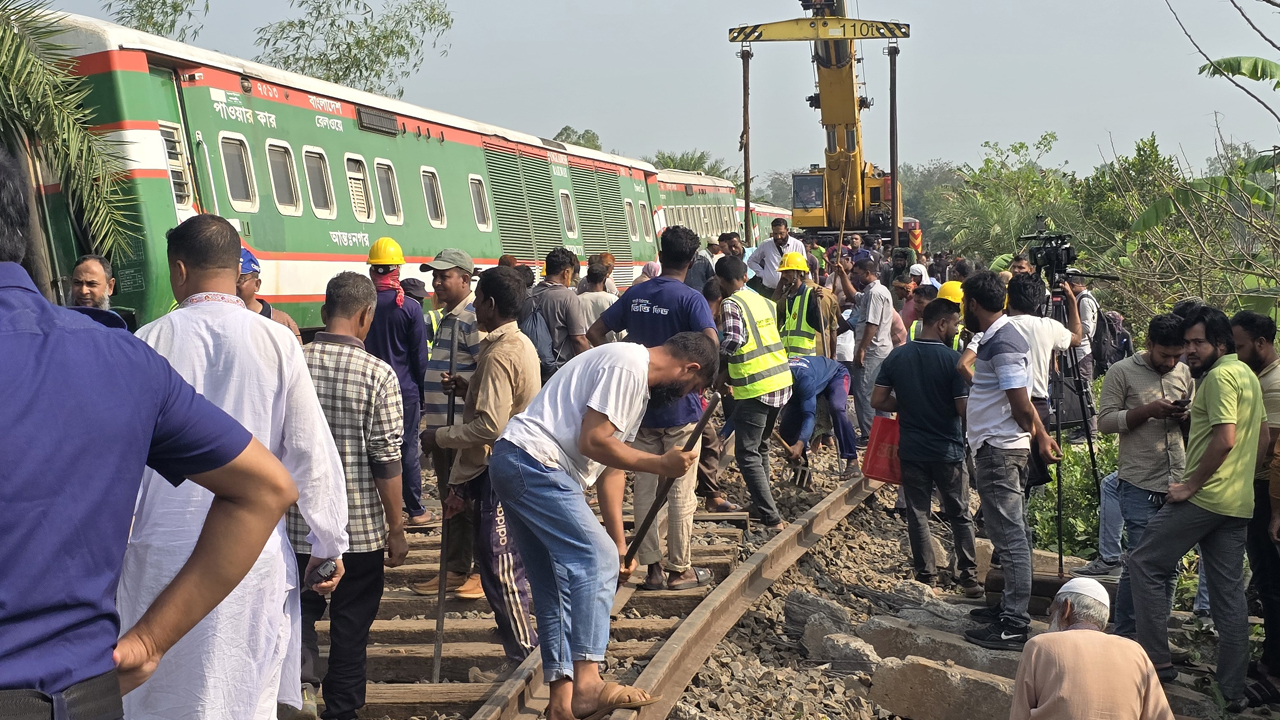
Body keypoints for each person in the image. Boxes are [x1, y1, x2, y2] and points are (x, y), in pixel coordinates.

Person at [0, 149, 296, 718]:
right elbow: (270, 486)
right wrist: (151, 640)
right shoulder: (120, 356)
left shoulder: (151, 340)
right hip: (86, 698)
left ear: (178, 270)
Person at [120, 214, 349, 720]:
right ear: (235, 268)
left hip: (160, 553)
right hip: (249, 554)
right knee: (241, 696)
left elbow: (121, 460)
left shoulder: (146, 342)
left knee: (160, 698)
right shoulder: (277, 341)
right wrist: (328, 544)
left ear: (179, 270)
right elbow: (310, 453)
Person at [489, 333, 716, 720]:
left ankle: (561, 703)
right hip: (536, 462)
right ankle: (589, 684)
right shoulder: (628, 365)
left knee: (555, 584)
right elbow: (594, 440)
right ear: (689, 369)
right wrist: (660, 464)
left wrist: (620, 541)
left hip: (518, 461)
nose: (683, 397)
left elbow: (611, 465)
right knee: (595, 560)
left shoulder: (634, 382)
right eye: (692, 388)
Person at [1128, 306, 1267, 710]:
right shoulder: (1246, 374)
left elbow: (1224, 439)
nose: (1189, 350)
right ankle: (1233, 691)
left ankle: (1156, 661)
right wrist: (1243, 480)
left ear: (1219, 343)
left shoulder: (1220, 377)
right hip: (1237, 502)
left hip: (1206, 498)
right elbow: (1257, 439)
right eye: (1186, 342)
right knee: (1228, 598)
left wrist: (1190, 484)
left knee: (1144, 562)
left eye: (1197, 342)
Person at [292, 272, 407, 720]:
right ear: (366, 317)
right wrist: (396, 527)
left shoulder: (293, 362)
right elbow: (386, 460)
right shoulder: (379, 375)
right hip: (357, 532)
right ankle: (341, 709)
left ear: (324, 313)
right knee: (351, 622)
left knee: (297, 608)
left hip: (295, 524)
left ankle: (300, 685)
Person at [420, 266, 540, 673]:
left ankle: (524, 654)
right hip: (504, 463)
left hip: (496, 468)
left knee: (500, 566)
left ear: (488, 304)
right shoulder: (516, 344)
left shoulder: (500, 354)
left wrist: (441, 437)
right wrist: (469, 387)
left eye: (479, 299)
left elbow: (491, 425)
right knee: (502, 564)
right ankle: (524, 648)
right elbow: (507, 399)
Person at [588, 225, 720, 591]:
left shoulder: (636, 293)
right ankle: (680, 570)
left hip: (640, 408)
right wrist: (700, 383)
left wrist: (612, 366)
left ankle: (653, 570)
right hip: (682, 410)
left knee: (645, 488)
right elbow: (710, 344)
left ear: (659, 255)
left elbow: (595, 332)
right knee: (679, 491)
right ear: (692, 261)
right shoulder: (691, 299)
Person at [961, 271, 1061, 651]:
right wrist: (1042, 434)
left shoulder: (1002, 341)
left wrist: (1037, 433)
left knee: (1012, 536)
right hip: (998, 446)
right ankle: (1006, 609)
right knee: (1005, 534)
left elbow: (1021, 402)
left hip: (1001, 449)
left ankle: (1015, 624)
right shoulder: (998, 336)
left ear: (972, 303)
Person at [1081, 315, 1193, 640]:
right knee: (1142, 564)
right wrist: (1148, 410)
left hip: (1177, 483)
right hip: (1139, 483)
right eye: (1164, 356)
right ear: (1149, 344)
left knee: (1163, 564)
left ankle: (1145, 633)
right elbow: (1104, 422)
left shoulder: (1185, 373)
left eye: (1177, 355)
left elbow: (1195, 431)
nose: (1171, 362)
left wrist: (1185, 416)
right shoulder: (1122, 372)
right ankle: (1138, 636)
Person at [872, 297, 979, 596]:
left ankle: (926, 578)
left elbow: (877, 401)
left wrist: (907, 403)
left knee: (918, 513)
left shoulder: (897, 357)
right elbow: (963, 410)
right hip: (947, 452)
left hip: (912, 450)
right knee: (959, 512)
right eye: (954, 324)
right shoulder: (952, 361)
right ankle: (969, 578)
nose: (955, 330)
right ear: (941, 323)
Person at [412, 248, 486, 598]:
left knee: (468, 500)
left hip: (461, 430)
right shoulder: (449, 317)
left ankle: (479, 571)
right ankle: (456, 567)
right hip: (443, 430)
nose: (436, 282)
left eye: (444, 277)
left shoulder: (472, 319)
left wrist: (463, 387)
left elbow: (487, 374)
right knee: (450, 499)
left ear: (465, 280)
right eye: (434, 276)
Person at [1009, 578, 1175, 720]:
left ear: (1066, 609)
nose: (1049, 619)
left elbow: (1019, 714)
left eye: (1051, 612)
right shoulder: (1135, 651)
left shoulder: (1040, 645)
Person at [715, 256, 793, 532]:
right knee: (760, 446)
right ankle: (763, 505)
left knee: (746, 452)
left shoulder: (731, 303)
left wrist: (716, 364)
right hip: (780, 380)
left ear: (720, 281)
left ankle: (771, 518)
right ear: (746, 276)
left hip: (755, 386)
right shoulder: (763, 300)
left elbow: (734, 340)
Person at [363, 237, 432, 527]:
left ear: (371, 272)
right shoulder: (410, 308)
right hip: (405, 390)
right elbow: (419, 357)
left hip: (370, 388)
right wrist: (423, 392)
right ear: (397, 271)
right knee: (407, 449)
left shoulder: (364, 305)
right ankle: (415, 510)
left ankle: (378, 510)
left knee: (373, 448)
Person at [1230, 311, 1280, 698]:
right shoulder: (1259, 376)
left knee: (1272, 580)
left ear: (1261, 344)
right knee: (1265, 579)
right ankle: (1269, 659)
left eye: (1241, 345)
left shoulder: (1275, 384)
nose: (1236, 352)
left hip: (1267, 492)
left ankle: (1274, 669)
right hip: (1261, 489)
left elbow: (1272, 449)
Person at [696, 278, 741, 513]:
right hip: (690, 393)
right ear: (722, 301)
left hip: (692, 390)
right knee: (710, 441)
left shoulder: (698, 312)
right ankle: (711, 496)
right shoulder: (704, 322)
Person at [779, 354, 861, 478]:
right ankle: (802, 474)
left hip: (836, 375)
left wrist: (801, 443)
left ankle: (852, 460)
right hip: (811, 380)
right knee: (786, 429)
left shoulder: (802, 380)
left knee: (837, 408)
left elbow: (809, 416)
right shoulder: (777, 377)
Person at [850, 258, 895, 446]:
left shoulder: (876, 293)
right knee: (879, 393)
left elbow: (872, 324)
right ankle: (882, 434)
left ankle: (869, 436)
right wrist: (843, 276)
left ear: (867, 273)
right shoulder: (874, 291)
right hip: (879, 350)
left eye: (858, 273)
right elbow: (854, 297)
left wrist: (861, 350)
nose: (856, 277)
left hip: (872, 351)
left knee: (865, 394)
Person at [531, 247, 591, 375]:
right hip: (559, 370)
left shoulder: (531, 294)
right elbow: (578, 339)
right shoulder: (567, 297)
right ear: (566, 273)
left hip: (533, 368)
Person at [774, 251, 838, 358]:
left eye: (787, 272)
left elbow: (822, 325)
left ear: (799, 273)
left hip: (805, 360)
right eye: (782, 272)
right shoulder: (787, 297)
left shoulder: (809, 295)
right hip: (787, 358)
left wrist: (815, 304)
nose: (783, 276)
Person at [237, 247, 302, 344]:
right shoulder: (220, 321)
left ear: (257, 285)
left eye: (239, 280)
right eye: (228, 278)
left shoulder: (282, 322)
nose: (232, 285)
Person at [1067, 270, 1100, 437]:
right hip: (1076, 352)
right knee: (1077, 390)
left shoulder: (1084, 300)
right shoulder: (1079, 299)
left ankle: (1091, 429)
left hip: (1083, 352)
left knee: (1085, 390)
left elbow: (1087, 328)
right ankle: (1083, 426)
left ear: (1073, 284)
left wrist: (1067, 328)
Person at [745, 217, 805, 294]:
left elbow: (804, 266)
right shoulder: (766, 244)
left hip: (791, 291)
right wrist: (762, 274)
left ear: (787, 230)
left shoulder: (798, 245)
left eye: (781, 233)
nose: (778, 237)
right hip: (769, 291)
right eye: (775, 234)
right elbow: (751, 261)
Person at [579, 262, 618, 343]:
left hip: (585, 349)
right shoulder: (612, 299)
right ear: (604, 280)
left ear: (588, 279)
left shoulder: (577, 300)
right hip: (608, 348)